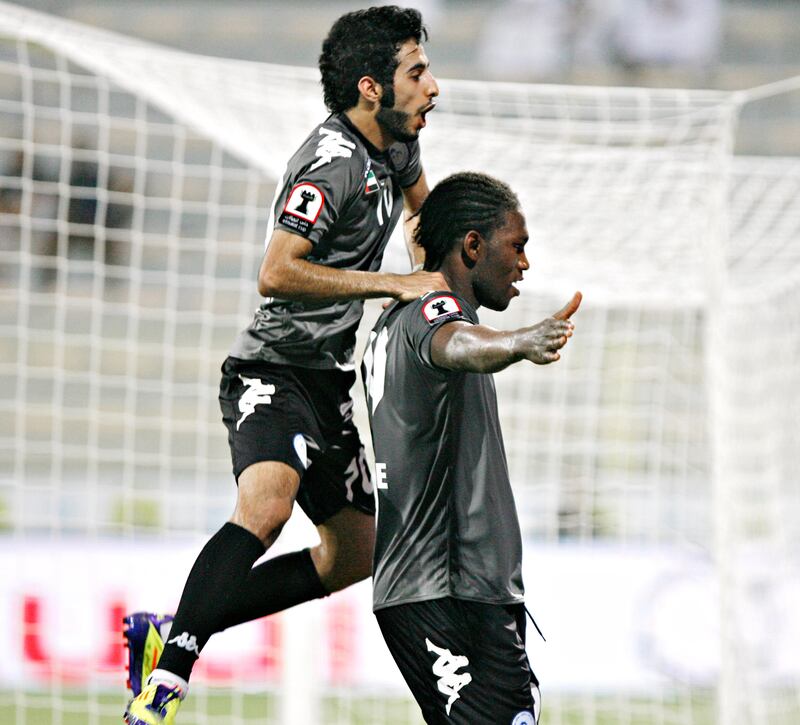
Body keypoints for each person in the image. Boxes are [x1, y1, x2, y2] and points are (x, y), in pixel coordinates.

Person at [123, 6, 442, 724]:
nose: (433, 87)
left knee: (354, 552)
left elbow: (425, 219)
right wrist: (394, 282)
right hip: (272, 368)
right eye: (416, 72)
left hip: (327, 382)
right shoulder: (331, 163)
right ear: (371, 87)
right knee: (266, 506)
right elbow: (277, 270)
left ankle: (165, 630)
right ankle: (168, 680)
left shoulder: (397, 147)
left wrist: (439, 279)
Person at [361, 171, 581, 724]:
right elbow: (456, 345)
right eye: (517, 246)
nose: (524, 264)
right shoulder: (429, 312)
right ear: (474, 245)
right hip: (448, 588)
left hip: (459, 590)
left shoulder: (394, 321)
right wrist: (518, 342)